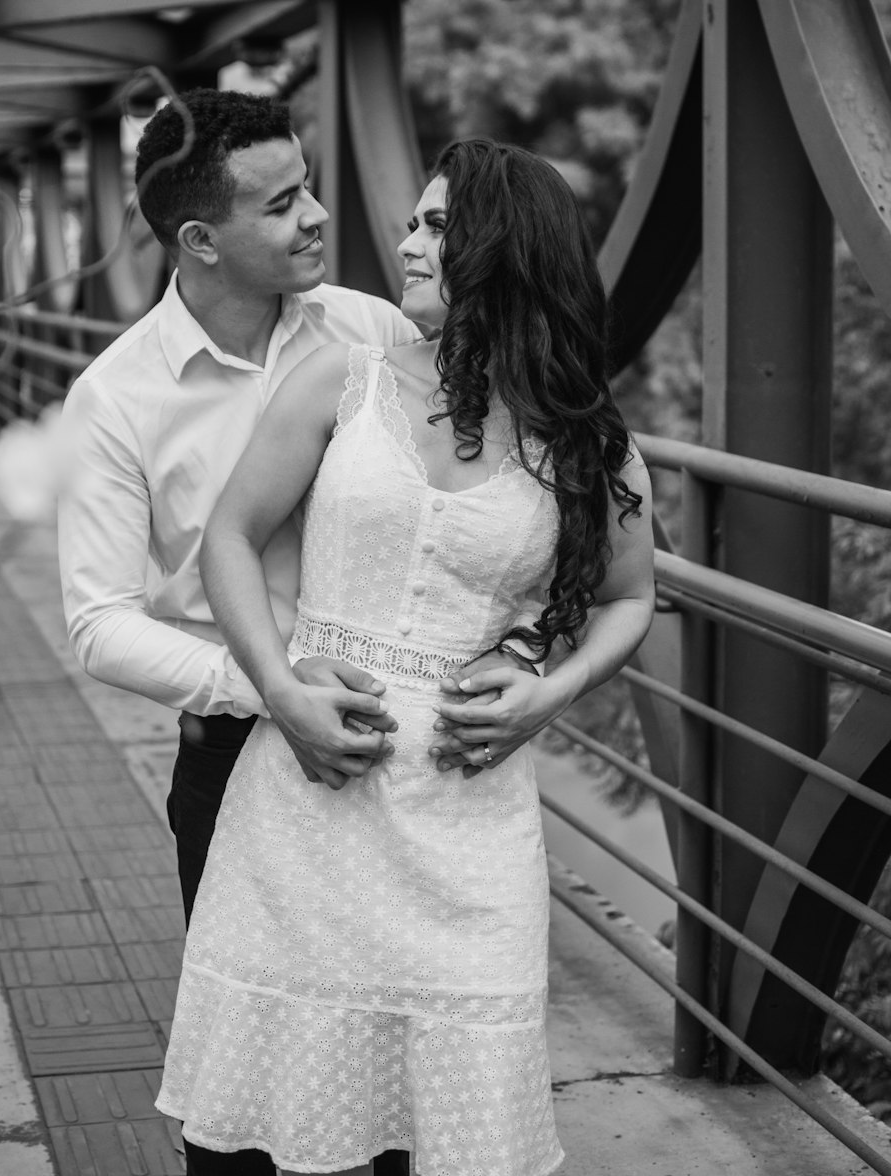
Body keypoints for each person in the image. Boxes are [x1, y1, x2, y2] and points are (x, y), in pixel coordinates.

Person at [157, 138, 656, 1175]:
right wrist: (283, 691)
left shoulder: (582, 438)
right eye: (415, 221)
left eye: (435, 225)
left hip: (467, 823)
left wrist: (549, 693)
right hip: (308, 804)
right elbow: (231, 539)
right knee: (253, 1141)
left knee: (446, 1136)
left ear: (501, 249)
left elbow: (627, 594)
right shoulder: (345, 376)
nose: (405, 243)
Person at [58, 88, 429, 1176]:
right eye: (282, 203)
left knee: (397, 1061)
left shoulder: (376, 331)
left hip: (390, 737)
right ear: (200, 240)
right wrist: (270, 688)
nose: (316, 214)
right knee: (248, 1083)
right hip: (232, 758)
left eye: (310, 184)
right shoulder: (117, 397)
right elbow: (96, 624)